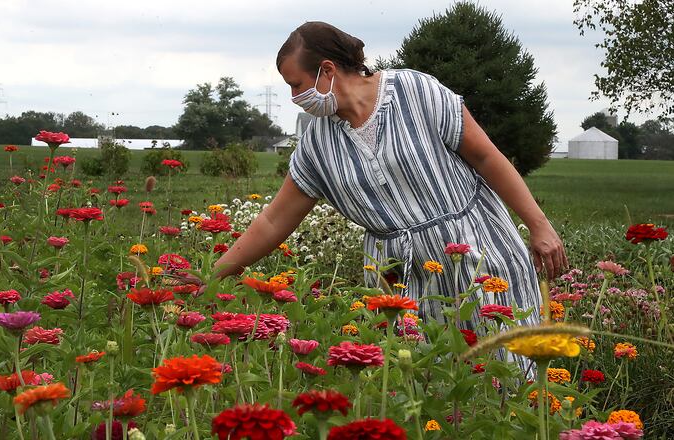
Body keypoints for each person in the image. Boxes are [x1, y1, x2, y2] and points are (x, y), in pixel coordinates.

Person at [211, 21, 567, 328]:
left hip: (479, 257)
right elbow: (273, 220)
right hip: (400, 281)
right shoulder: (317, 144)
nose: (294, 97)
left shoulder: (415, 91)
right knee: (421, 387)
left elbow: (486, 156)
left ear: (328, 70)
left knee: (505, 370)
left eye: (297, 84)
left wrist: (538, 225)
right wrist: (212, 275)